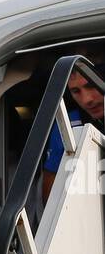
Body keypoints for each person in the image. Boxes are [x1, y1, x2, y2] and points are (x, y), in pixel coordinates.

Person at [41, 56, 105, 205]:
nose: (87, 99)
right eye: (76, 91)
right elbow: (51, 199)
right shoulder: (67, 125)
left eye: (91, 86)